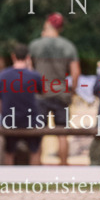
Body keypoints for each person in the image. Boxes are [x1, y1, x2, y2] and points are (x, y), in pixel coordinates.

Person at [29, 13, 80, 162]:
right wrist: (72, 90)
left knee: (38, 134)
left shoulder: (35, 45)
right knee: (62, 134)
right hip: (61, 94)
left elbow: (29, 70)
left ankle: (35, 172)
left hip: (40, 95)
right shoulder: (68, 46)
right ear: (61, 28)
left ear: (47, 24)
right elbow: (75, 73)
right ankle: (63, 170)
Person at [0, 44, 44, 165]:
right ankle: (35, 181)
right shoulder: (34, 76)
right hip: (30, 120)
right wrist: (31, 69)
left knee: (9, 152)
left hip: (9, 120)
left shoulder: (2, 76)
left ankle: (8, 181)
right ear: (28, 57)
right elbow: (42, 92)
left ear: (13, 56)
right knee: (35, 150)